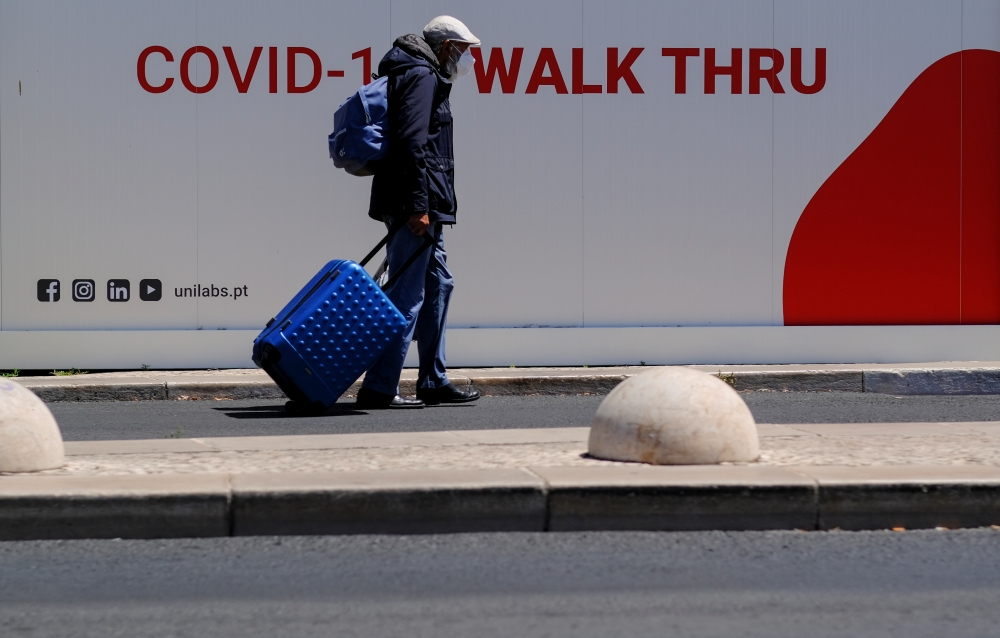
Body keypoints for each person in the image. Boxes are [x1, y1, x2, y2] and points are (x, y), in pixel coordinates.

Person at [355, 16, 482, 409]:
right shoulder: (421, 75)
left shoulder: (423, 73)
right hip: (415, 204)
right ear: (445, 47)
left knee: (439, 285)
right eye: (462, 51)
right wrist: (419, 207)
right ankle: (378, 387)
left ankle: (432, 380)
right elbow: (412, 143)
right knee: (406, 296)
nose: (465, 59)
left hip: (425, 204)